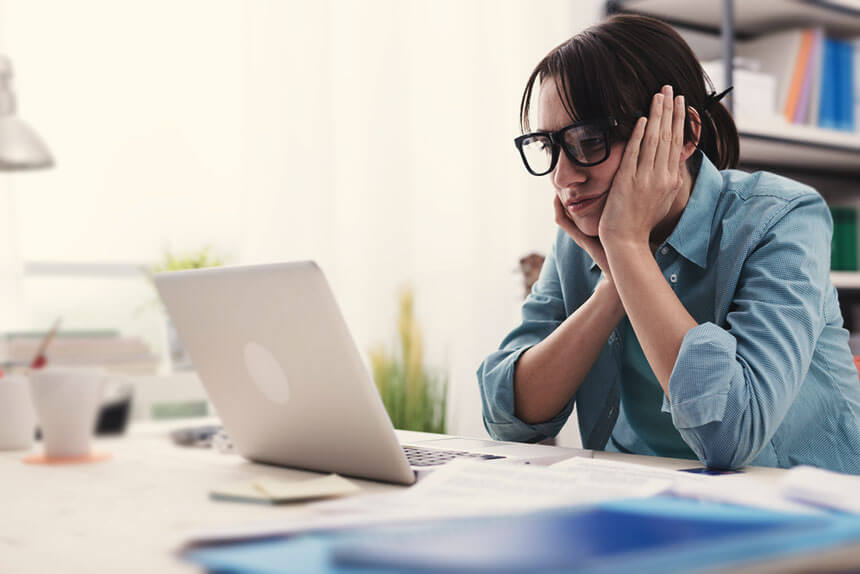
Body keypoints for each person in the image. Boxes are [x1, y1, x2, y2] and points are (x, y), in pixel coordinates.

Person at [477, 14, 860, 473]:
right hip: (643, 503)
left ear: (684, 135)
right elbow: (508, 417)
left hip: (804, 513)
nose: (563, 176)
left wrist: (628, 248)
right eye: (548, 146)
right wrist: (616, 281)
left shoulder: (782, 219)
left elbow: (730, 437)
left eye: (589, 141)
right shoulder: (584, 241)